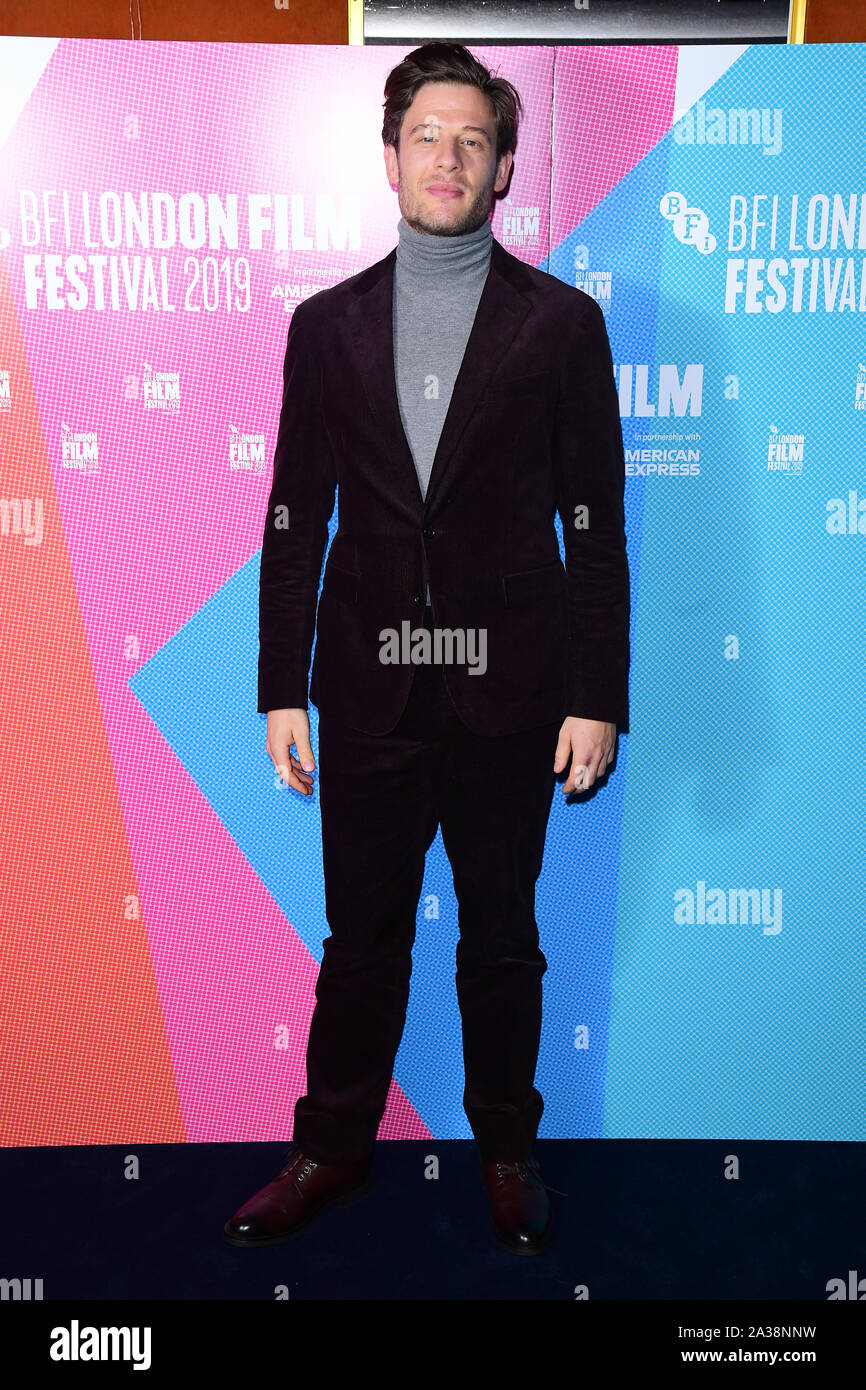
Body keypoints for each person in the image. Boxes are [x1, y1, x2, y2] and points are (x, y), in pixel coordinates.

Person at [225, 39, 630, 1257]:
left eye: (471, 138)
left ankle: (505, 1149)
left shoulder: (560, 328)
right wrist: (278, 687)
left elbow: (595, 528)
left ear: (504, 165)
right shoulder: (324, 327)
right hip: (364, 692)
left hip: (513, 693)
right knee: (361, 943)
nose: (446, 157)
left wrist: (595, 694)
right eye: (425, 135)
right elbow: (294, 512)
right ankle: (331, 1146)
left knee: (502, 938)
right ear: (390, 155)